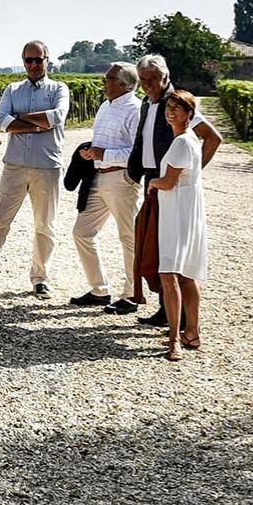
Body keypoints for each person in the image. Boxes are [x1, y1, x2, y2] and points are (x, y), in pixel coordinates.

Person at [0, 40, 69, 298]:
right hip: (14, 165)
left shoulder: (59, 89)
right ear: (23, 61)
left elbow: (56, 117)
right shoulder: (12, 89)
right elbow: (1, 121)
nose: (33, 65)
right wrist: (37, 124)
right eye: (28, 60)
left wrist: (20, 119)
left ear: (47, 60)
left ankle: (40, 278)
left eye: (38, 59)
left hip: (47, 166)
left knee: (45, 225)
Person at [128, 54, 221, 326]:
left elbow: (213, 138)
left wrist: (191, 172)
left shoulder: (177, 104)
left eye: (153, 79)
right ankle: (166, 310)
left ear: (165, 77)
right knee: (155, 246)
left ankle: (179, 318)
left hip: (169, 184)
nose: (147, 84)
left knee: (172, 249)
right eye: (143, 80)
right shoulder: (146, 103)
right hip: (153, 180)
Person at [69, 62, 142, 313]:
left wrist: (105, 154)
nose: (103, 82)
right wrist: (90, 152)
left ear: (124, 84)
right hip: (98, 177)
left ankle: (132, 295)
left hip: (122, 180)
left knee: (129, 237)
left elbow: (137, 153)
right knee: (82, 232)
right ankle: (99, 290)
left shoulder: (135, 110)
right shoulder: (105, 106)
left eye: (108, 78)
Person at [148, 90, 208, 361]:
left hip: (177, 213)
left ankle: (174, 339)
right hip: (188, 209)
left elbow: (169, 181)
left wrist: (153, 183)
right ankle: (192, 332)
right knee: (187, 274)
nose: (170, 112)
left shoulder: (182, 142)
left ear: (189, 114)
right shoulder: (191, 139)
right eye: (168, 107)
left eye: (177, 108)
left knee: (169, 273)